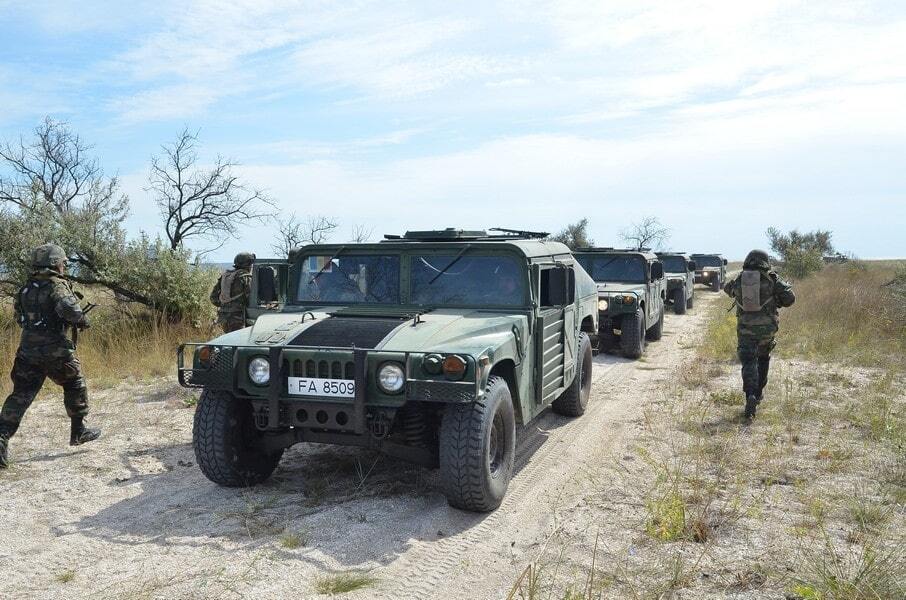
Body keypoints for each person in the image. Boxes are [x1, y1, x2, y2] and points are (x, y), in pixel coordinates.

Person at [0, 244, 99, 468]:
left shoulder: (26, 288)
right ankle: (78, 431)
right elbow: (72, 311)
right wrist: (82, 321)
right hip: (56, 350)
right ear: (55, 263)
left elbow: (19, 317)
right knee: (75, 383)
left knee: (20, 395)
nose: (64, 266)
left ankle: (1, 438)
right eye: (63, 262)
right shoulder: (58, 286)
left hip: (28, 350)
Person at [723, 249, 796, 419]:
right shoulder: (772, 279)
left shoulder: (741, 279)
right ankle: (758, 393)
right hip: (766, 330)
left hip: (745, 330)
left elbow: (727, 289)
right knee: (763, 359)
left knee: (748, 361)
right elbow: (790, 299)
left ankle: (750, 394)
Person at [210, 252, 255, 333]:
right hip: (237, 318)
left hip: (223, 317)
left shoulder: (225, 276)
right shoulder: (246, 277)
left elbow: (213, 298)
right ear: (248, 264)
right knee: (238, 342)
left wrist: (225, 305)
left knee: (226, 341)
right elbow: (251, 299)